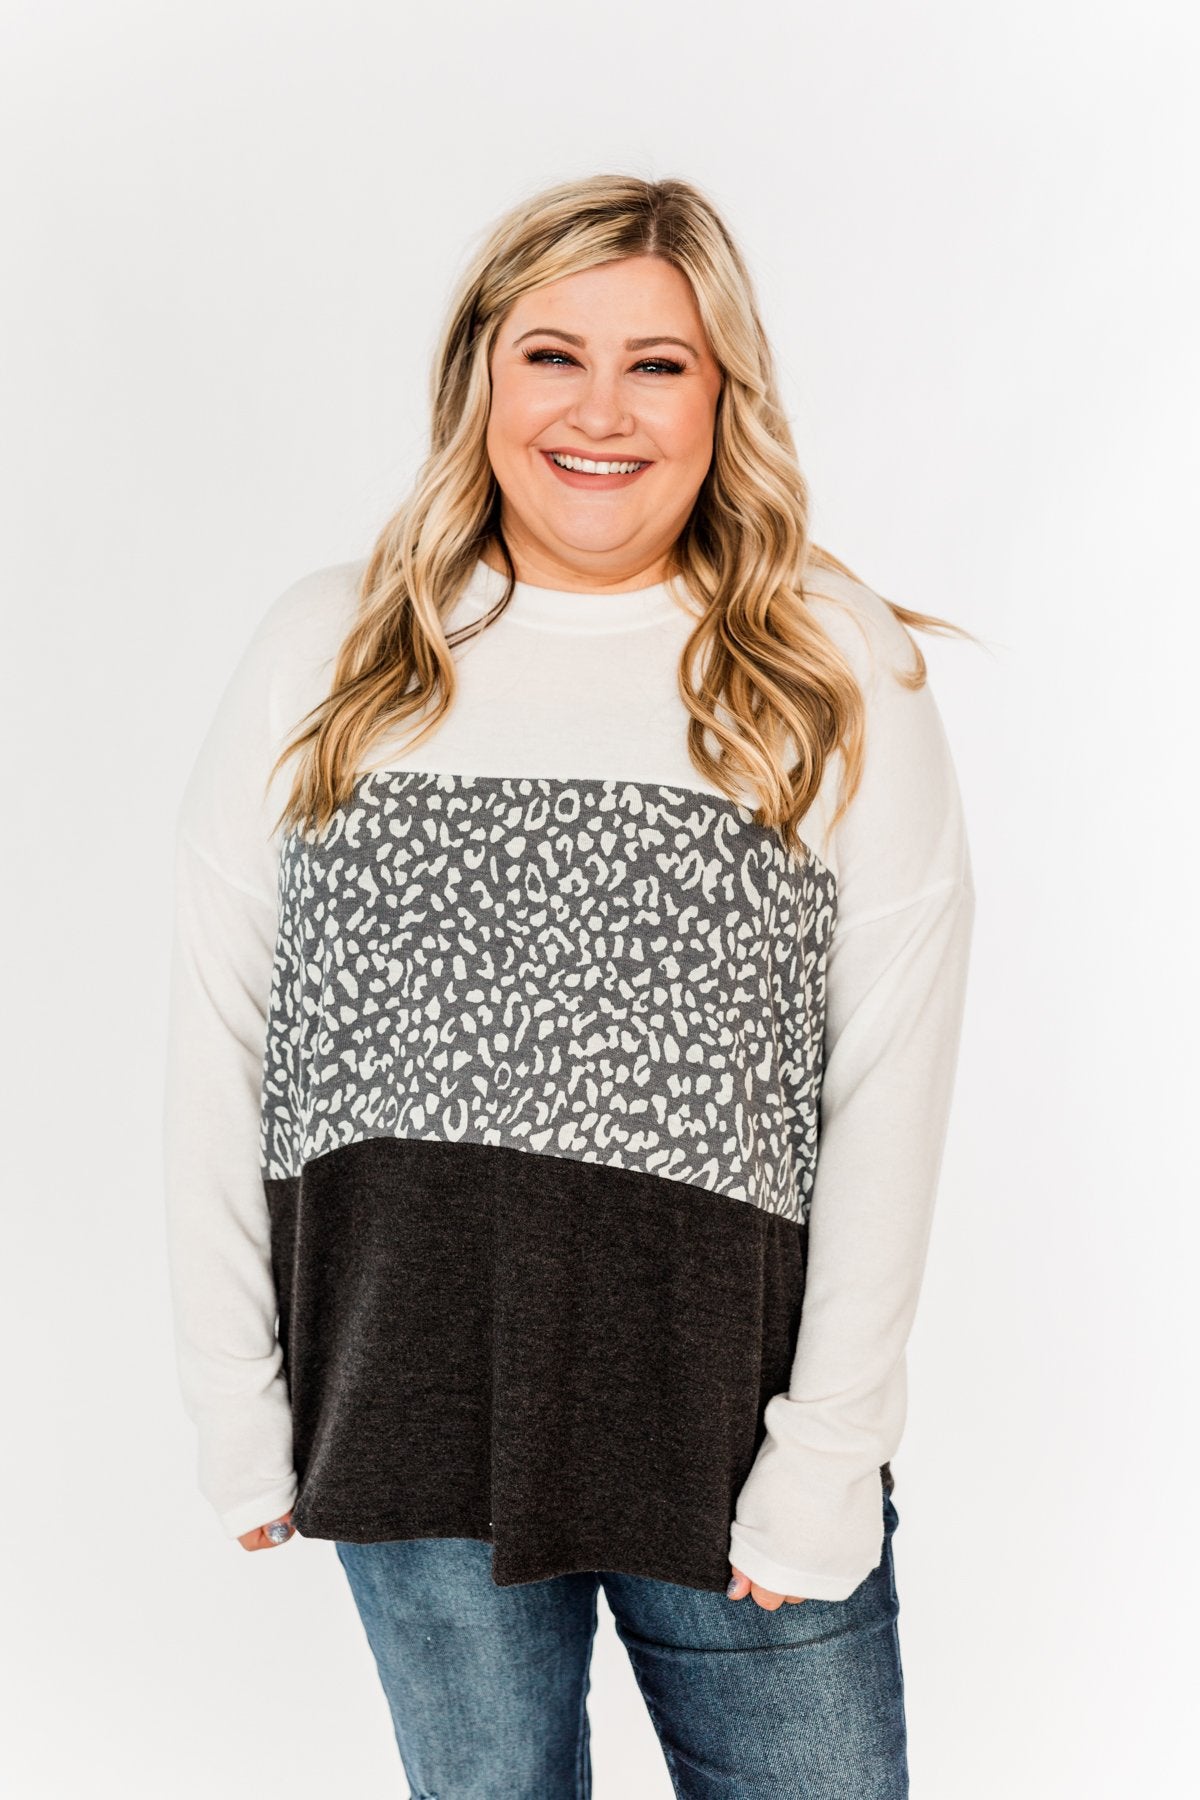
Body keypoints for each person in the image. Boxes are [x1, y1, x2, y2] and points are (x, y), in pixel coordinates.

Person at [162, 172, 977, 1797]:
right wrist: (234, 1402)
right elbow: (220, 1034)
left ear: (723, 395)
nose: (602, 412)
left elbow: (890, 1073)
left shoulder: (825, 658)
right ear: (480, 374)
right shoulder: (333, 650)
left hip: (727, 1432)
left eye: (658, 364)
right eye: (553, 355)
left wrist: (828, 1454)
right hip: (408, 1406)